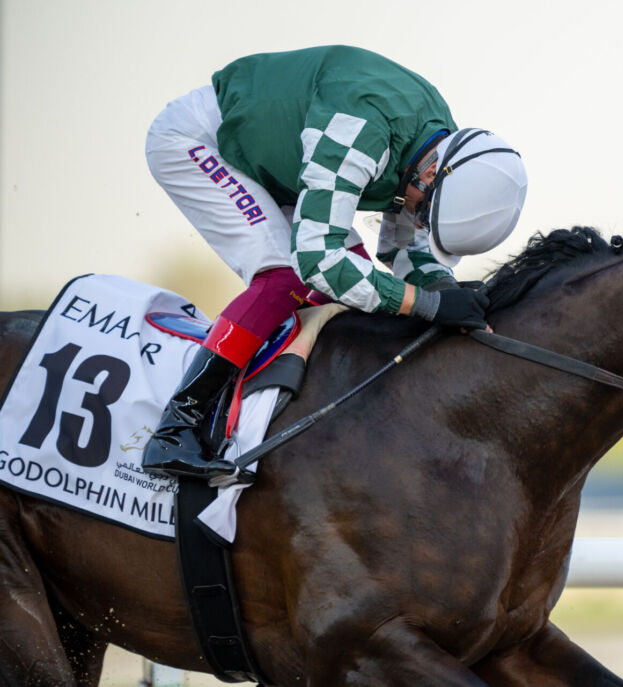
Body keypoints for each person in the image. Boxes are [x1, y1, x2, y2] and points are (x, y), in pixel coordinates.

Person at [141, 46, 528, 479]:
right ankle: (177, 426)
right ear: (431, 174)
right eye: (422, 210)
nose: (416, 219)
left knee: (354, 283)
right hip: (201, 140)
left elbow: (404, 249)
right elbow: (318, 261)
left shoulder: (441, 152)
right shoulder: (359, 131)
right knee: (288, 277)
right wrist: (428, 305)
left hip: (279, 158)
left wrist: (447, 293)